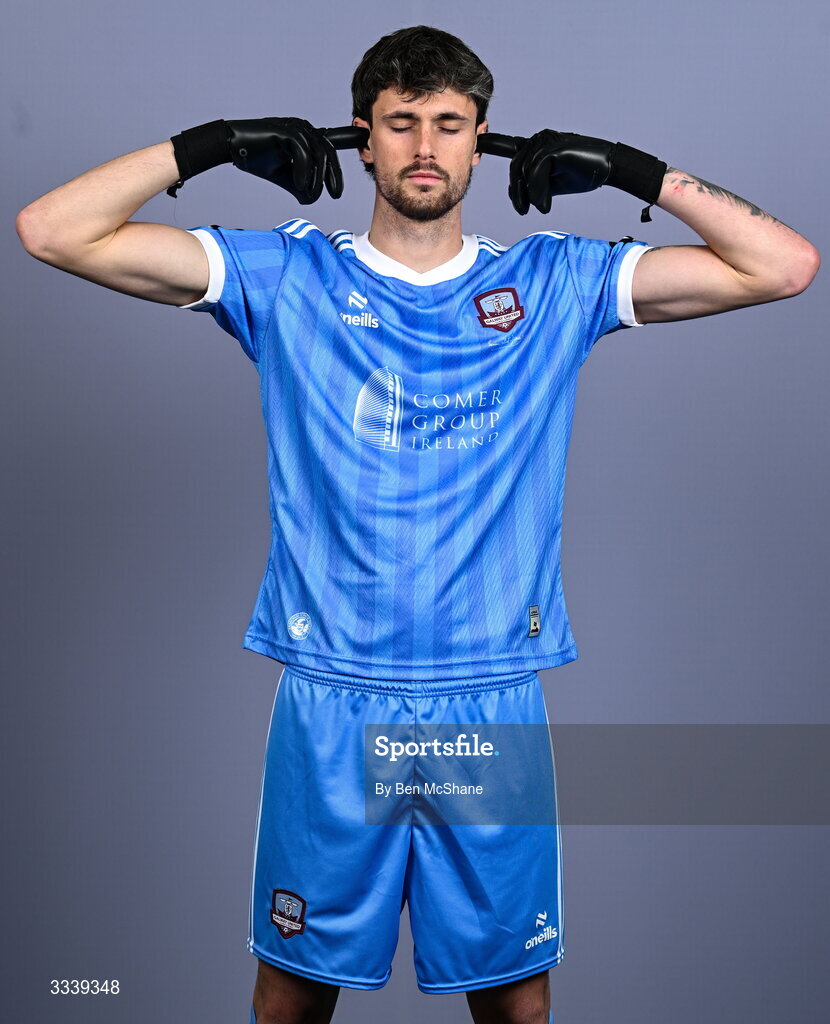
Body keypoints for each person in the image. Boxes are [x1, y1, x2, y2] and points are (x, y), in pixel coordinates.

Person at [15, 23, 819, 1024]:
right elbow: (52, 229)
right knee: (288, 999)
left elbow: (783, 265)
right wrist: (212, 146)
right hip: (335, 691)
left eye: (450, 123)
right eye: (401, 123)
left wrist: (630, 171)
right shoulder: (288, 276)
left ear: (485, 140)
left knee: (517, 1005)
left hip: (487, 691)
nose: (426, 147)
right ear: (361, 139)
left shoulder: (551, 284)